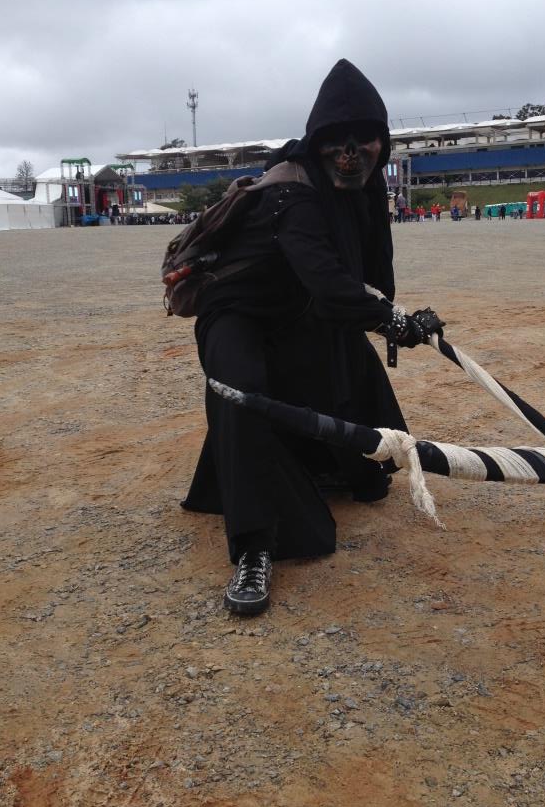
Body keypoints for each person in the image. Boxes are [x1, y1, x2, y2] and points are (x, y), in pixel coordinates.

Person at [181, 59, 437, 615]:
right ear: (317, 142)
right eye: (336, 143)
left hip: (296, 309)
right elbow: (329, 285)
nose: (349, 155)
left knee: (345, 349)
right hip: (236, 312)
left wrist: (401, 314)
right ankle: (254, 545)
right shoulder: (291, 191)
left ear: (381, 143)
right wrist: (392, 322)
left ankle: (334, 466)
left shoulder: (365, 191)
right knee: (240, 391)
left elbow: (372, 276)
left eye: (362, 142)